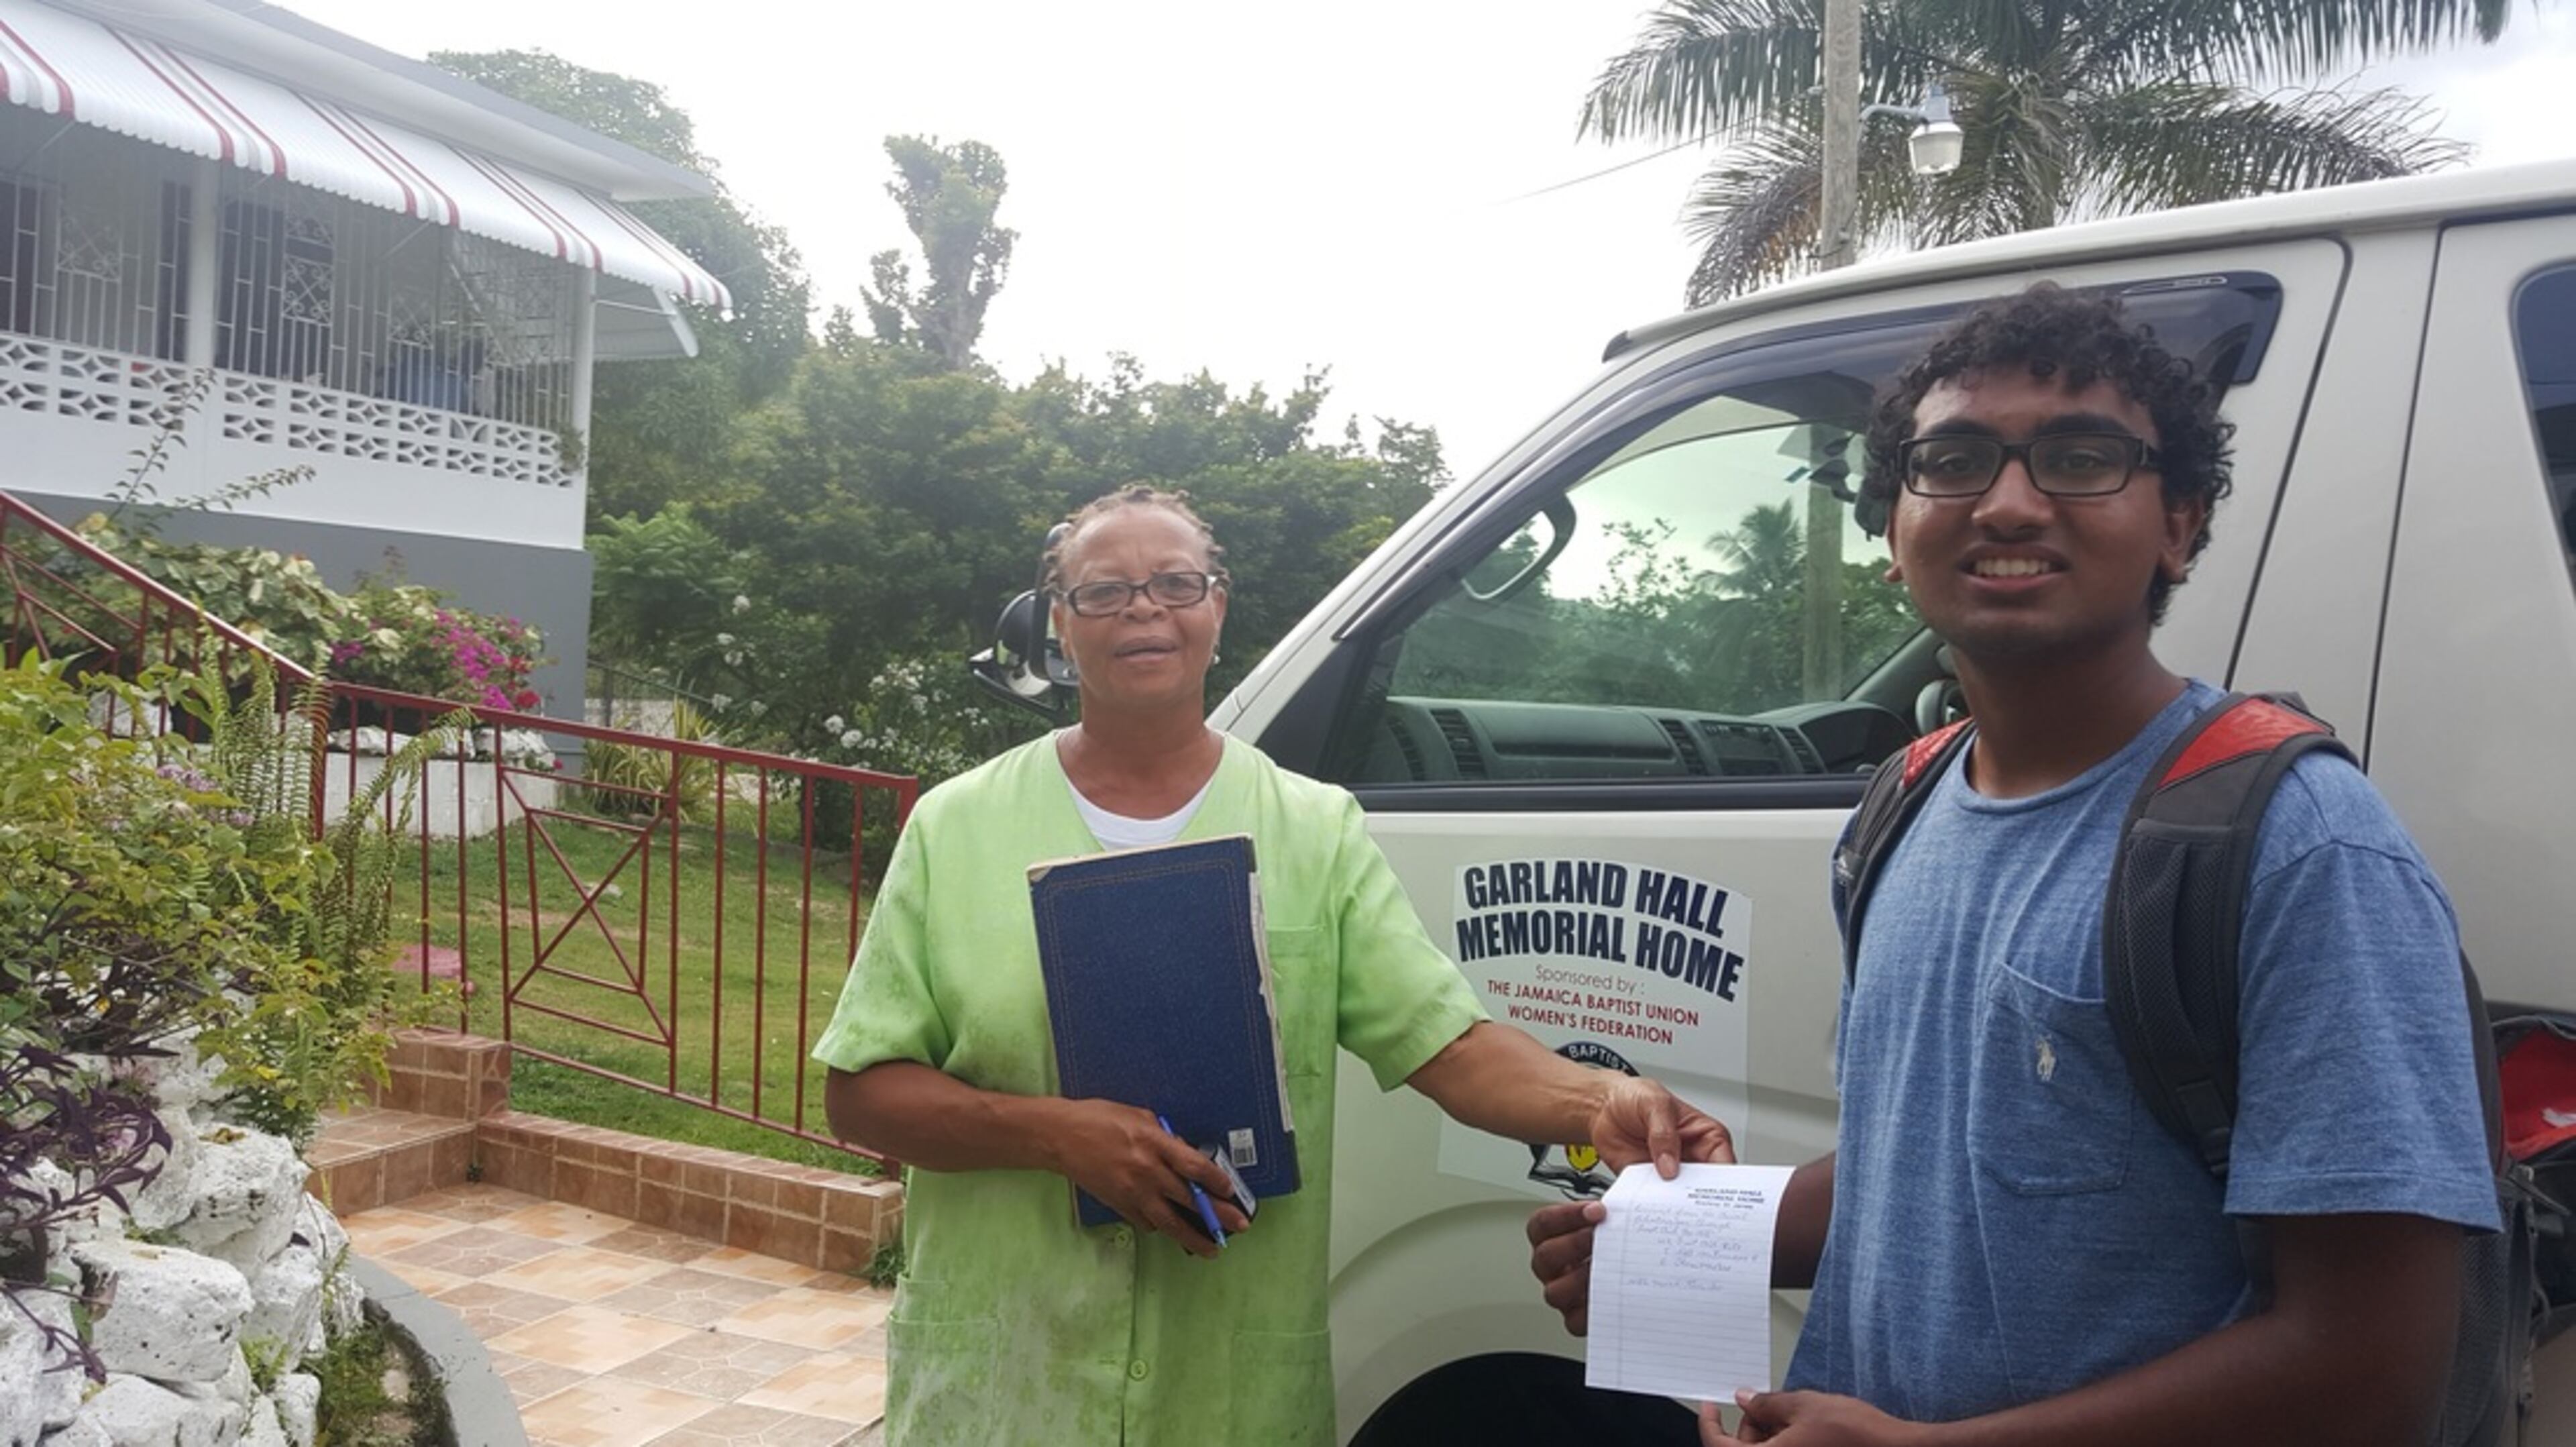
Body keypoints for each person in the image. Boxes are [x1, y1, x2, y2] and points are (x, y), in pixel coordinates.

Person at [1525, 284, 2499, 1446]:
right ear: (1893, 528)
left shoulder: (2302, 845)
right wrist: (1681, 1236)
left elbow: (2372, 1370)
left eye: (2081, 458)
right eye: (1956, 460)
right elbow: (1925, 1170)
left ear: (2179, 523)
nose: (2011, 502)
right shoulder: (1903, 802)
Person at [815, 484, 1733, 1447]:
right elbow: (862, 1094)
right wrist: (1056, 1137)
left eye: (1176, 581)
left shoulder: (1313, 827)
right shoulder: (958, 826)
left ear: (1218, 604)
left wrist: (1598, 1104)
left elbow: (1449, 1044)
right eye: (1104, 591)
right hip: (1010, 1382)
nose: (1144, 607)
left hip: (1227, 1395)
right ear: (1058, 623)